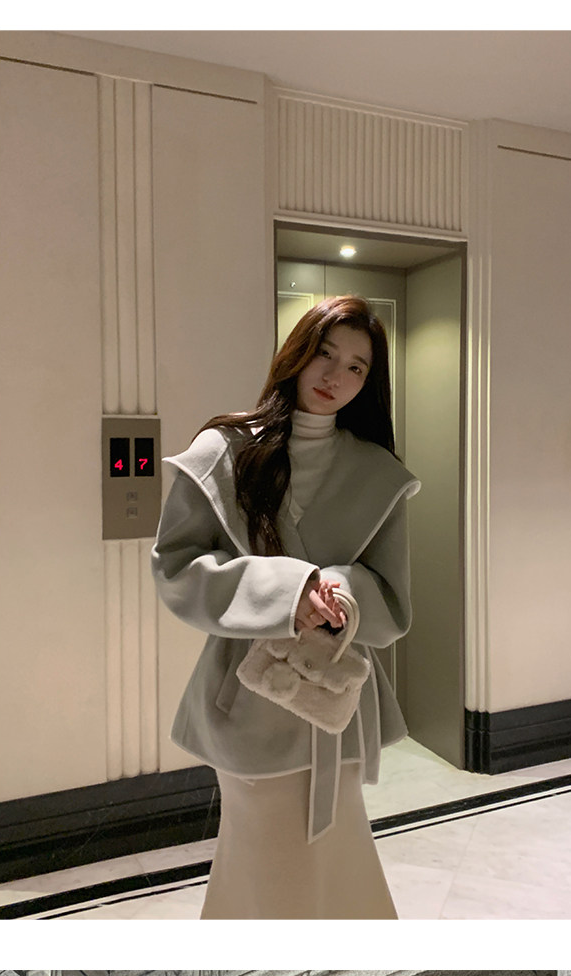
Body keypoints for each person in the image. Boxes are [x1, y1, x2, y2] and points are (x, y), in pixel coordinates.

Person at [151, 294, 420, 919]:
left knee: (339, 865)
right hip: (249, 705)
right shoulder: (223, 451)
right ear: (296, 353)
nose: (335, 376)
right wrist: (286, 593)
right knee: (261, 868)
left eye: (356, 366)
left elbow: (392, 599)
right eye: (325, 353)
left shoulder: (376, 471)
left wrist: (339, 594)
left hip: (339, 712)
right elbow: (176, 568)